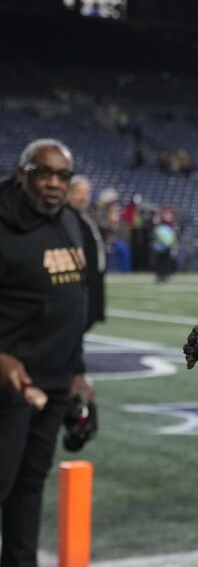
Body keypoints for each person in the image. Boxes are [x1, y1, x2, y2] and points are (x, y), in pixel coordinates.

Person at [0, 139, 94, 567]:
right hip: (10, 380)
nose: (54, 184)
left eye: (63, 176)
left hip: (56, 380)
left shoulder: (70, 221)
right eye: (44, 173)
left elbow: (74, 301)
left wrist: (78, 372)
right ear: (22, 174)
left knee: (30, 485)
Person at [67, 175, 107, 331]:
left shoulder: (84, 217)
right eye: (78, 192)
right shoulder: (66, 217)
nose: (84, 197)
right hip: (78, 284)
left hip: (92, 281)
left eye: (87, 192)